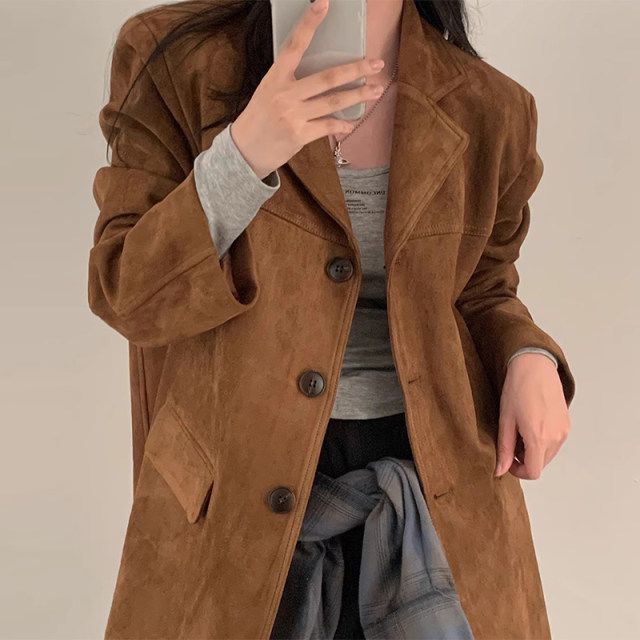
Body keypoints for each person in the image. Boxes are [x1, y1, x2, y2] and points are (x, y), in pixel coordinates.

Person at [88, 0, 576, 637]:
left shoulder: (493, 108)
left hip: (436, 501)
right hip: (229, 507)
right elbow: (127, 289)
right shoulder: (176, 61)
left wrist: (527, 355)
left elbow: (484, 286)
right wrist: (244, 153)